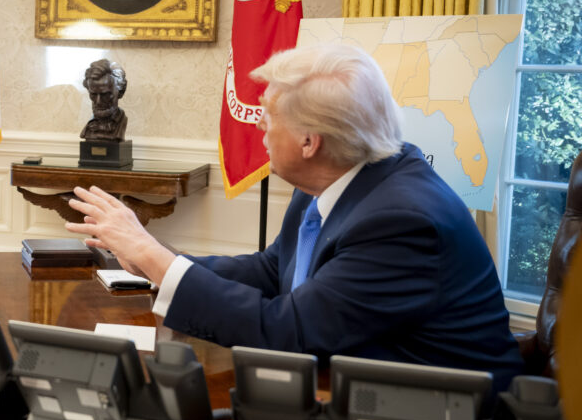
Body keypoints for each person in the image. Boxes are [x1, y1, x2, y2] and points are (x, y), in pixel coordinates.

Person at [65, 43, 523, 393]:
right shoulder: (342, 174)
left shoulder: (403, 222)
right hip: (356, 390)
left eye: (269, 116)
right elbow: (274, 270)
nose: (260, 127)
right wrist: (156, 261)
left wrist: (155, 257)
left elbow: (288, 331)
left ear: (310, 141)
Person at [80, 59, 128, 141]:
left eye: (105, 95)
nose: (98, 101)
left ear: (121, 92)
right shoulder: (88, 127)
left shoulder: (121, 122)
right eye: (93, 94)